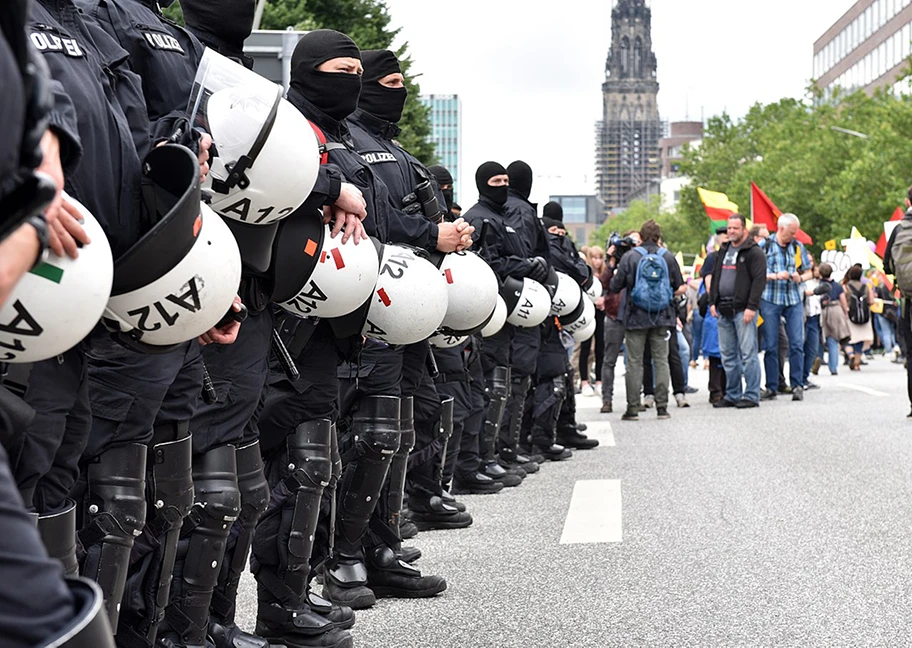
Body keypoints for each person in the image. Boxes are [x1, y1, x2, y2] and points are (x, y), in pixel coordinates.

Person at [609, 219, 683, 421]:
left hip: (635, 316)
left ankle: (632, 408)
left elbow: (615, 286)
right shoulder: (667, 257)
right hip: (662, 315)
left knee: (634, 362)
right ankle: (662, 407)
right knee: (661, 361)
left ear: (639, 237)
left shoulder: (631, 257)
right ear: (659, 237)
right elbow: (678, 286)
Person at [709, 214, 766, 409]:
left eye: (735, 228)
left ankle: (751, 394)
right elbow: (716, 276)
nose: (731, 231)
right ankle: (732, 394)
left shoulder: (754, 252)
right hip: (723, 308)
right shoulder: (724, 249)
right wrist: (712, 301)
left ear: (744, 229)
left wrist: (752, 307)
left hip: (744, 310)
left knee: (748, 353)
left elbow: (759, 281)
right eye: (729, 228)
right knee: (727, 355)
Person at [759, 213, 812, 401]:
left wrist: (801, 278)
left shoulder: (798, 246)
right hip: (770, 298)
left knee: (797, 343)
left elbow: (809, 272)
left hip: (793, 298)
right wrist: (774, 275)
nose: (794, 235)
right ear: (781, 229)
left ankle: (797, 384)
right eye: (791, 232)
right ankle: (772, 386)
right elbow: (755, 273)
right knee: (771, 345)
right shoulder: (764, 246)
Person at [884, 192, 912, 416]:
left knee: (911, 353)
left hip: (907, 299)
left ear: (907, 202)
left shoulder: (899, 229)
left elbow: (887, 265)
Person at [579, 246, 606, 397]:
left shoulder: (604, 274)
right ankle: (584, 381)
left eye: (600, 258)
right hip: (588, 312)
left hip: (601, 313)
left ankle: (599, 382)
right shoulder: (585, 273)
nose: (597, 261)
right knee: (585, 347)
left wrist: (604, 299)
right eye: (594, 258)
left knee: (600, 348)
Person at [817, 262, 851, 377]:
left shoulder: (818, 285)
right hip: (836, 310)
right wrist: (845, 313)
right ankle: (833, 367)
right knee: (834, 340)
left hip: (822, 310)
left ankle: (818, 358)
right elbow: (843, 300)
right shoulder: (837, 285)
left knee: (820, 337)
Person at [842, 264, 874, 370]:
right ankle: (857, 363)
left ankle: (850, 355)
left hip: (850, 315)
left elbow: (843, 300)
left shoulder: (846, 286)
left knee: (847, 339)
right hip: (864, 316)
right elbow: (871, 301)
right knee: (860, 340)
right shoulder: (866, 287)